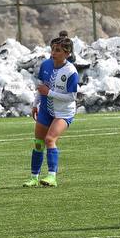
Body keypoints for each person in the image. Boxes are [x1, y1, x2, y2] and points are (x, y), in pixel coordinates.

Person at [24, 32, 80, 188]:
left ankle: (51, 177)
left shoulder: (71, 72)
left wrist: (49, 93)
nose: (53, 53)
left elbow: (72, 97)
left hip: (63, 113)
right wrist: (36, 104)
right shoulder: (46, 65)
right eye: (53, 49)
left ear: (67, 54)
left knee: (50, 140)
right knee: (38, 144)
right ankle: (34, 178)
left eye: (58, 50)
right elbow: (42, 86)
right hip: (45, 109)